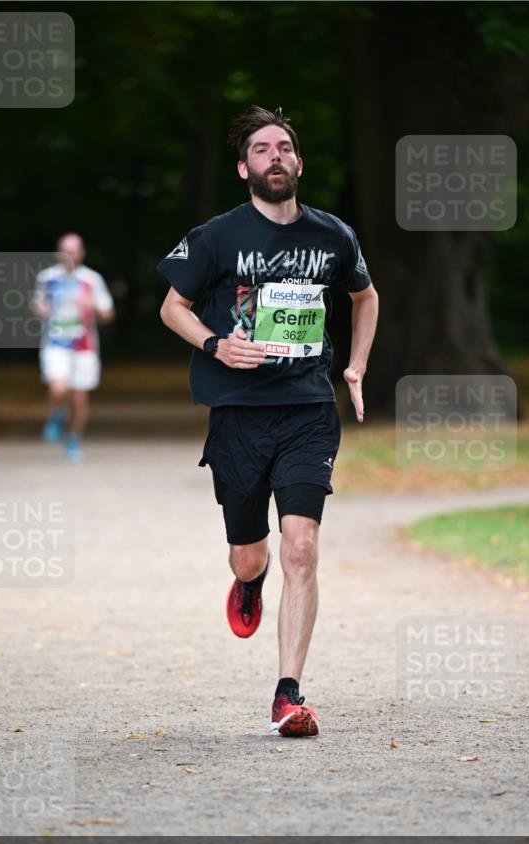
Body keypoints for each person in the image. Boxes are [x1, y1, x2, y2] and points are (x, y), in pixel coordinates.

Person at [157, 106, 379, 736]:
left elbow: (366, 297)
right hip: (238, 414)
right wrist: (214, 343)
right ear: (243, 167)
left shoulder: (333, 235)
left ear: (298, 162)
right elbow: (172, 307)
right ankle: (249, 586)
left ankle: (289, 695)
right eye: (261, 149)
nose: (274, 156)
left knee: (301, 547)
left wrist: (356, 366)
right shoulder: (216, 237)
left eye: (284, 147)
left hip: (309, 408)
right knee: (250, 556)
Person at [32, 233, 115, 461]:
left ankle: (73, 439)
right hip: (55, 343)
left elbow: (108, 313)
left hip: (84, 345)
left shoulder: (92, 279)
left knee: (79, 398)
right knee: (58, 388)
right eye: (65, 250)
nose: (69, 255)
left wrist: (94, 307)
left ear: (82, 252)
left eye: (74, 250)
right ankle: (57, 413)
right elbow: (38, 303)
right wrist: (40, 308)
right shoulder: (46, 278)